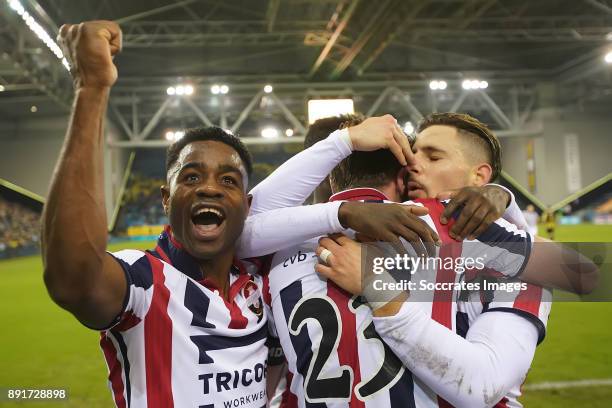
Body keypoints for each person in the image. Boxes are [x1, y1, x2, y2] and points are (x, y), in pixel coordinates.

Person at [42, 21, 448, 407]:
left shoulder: (255, 280)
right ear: (166, 199)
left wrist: (345, 142)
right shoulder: (144, 281)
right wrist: (92, 89)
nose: (209, 188)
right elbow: (72, 277)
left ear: (247, 203)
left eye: (230, 181)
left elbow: (262, 213)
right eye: (192, 177)